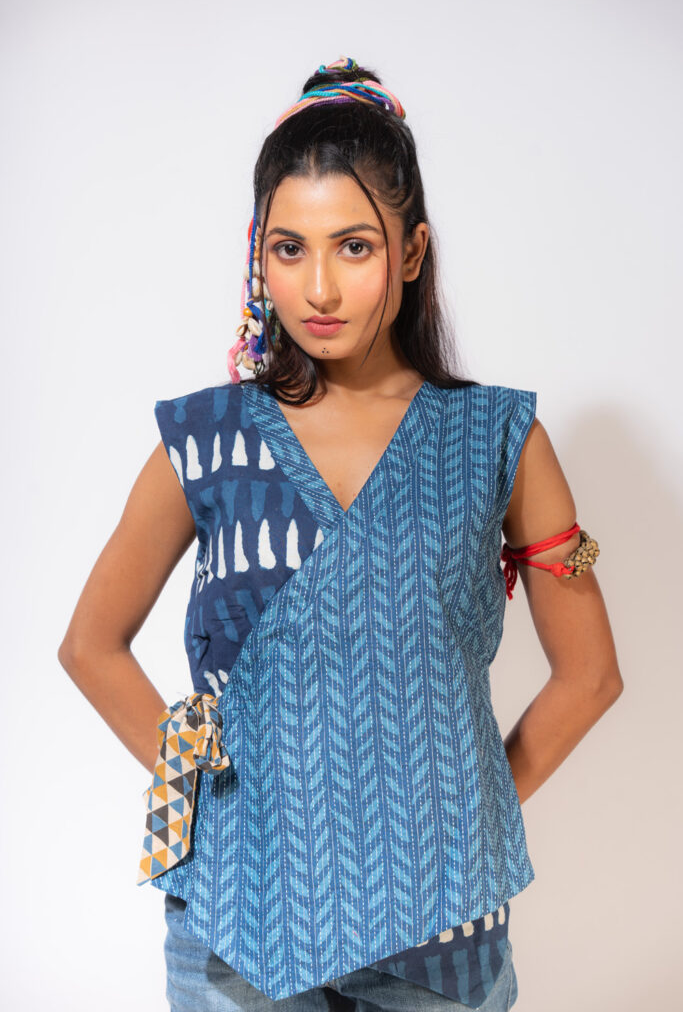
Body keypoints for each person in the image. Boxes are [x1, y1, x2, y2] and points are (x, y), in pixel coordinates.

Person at [58, 57, 623, 1011]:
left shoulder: (496, 438)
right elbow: (90, 646)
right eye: (289, 249)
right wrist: (208, 803)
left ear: (411, 251)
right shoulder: (204, 439)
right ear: (259, 255)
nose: (318, 287)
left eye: (353, 247)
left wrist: (458, 824)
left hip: (441, 934)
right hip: (239, 924)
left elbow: (590, 676)